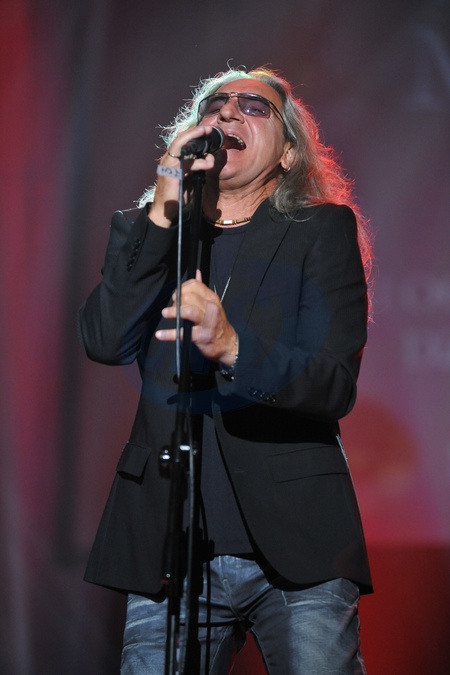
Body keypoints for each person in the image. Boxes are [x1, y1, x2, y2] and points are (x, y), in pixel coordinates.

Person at [78, 66, 374, 674]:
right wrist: (164, 205)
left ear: (288, 152)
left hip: (296, 543)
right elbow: (105, 340)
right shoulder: (154, 233)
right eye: (214, 105)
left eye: (253, 107)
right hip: (170, 541)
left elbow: (332, 383)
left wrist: (235, 348)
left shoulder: (320, 231)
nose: (228, 113)